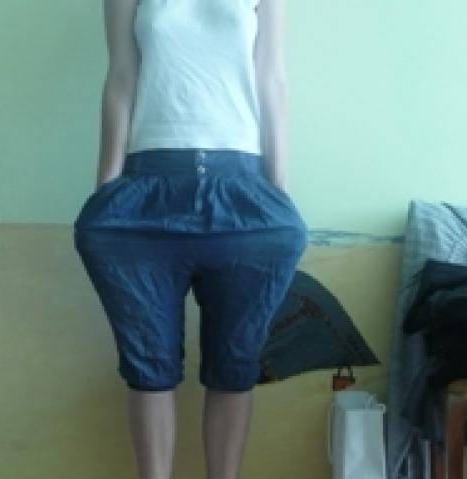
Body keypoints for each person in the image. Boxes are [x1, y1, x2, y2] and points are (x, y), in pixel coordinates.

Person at [73, 1, 308, 478]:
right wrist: (106, 191)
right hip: (147, 186)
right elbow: (121, 79)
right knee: (148, 368)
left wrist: (279, 193)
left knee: (235, 366)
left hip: (242, 188)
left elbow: (271, 80)